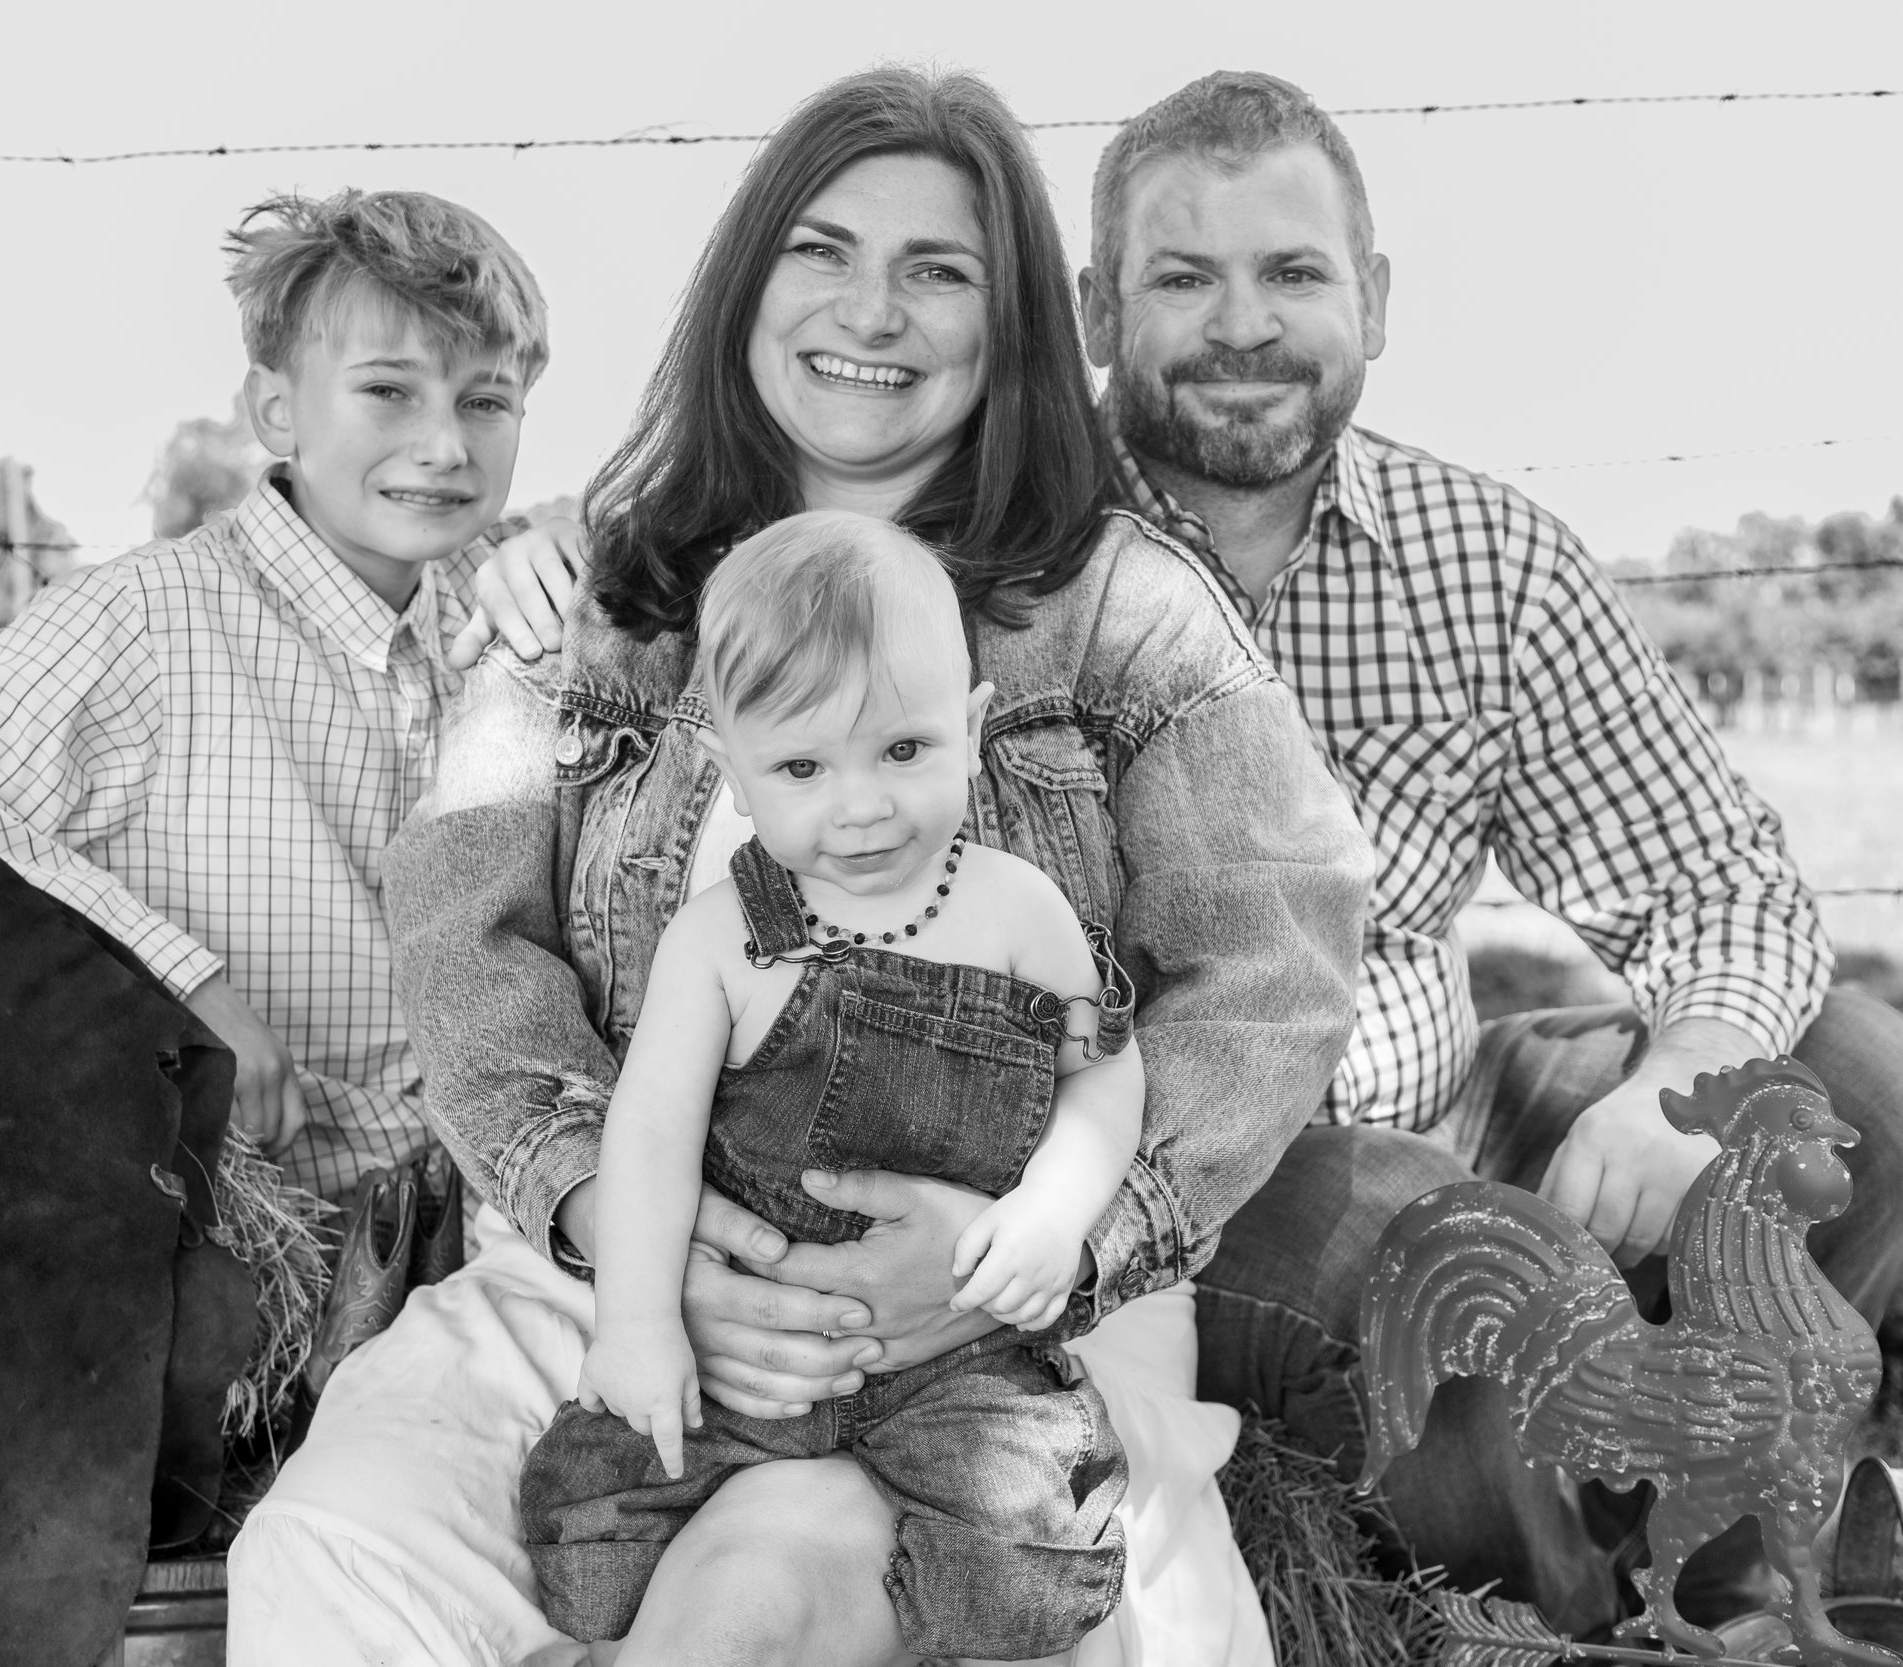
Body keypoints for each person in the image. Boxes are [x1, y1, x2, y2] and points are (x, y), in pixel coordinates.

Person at [228, 67, 1374, 1667]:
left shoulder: (1117, 606)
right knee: (336, 1554)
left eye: (940, 270)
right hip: (595, 1278)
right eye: (822, 251)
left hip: (1000, 1310)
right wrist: (628, 1238)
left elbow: (1274, 965)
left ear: (1015, 322)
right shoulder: (597, 587)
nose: (873, 310)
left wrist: (1040, 1247)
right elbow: (465, 942)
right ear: (747, 283)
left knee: (963, 1593)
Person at [1070, 72, 1903, 1636]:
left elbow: (1717, 879)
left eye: (1293, 271)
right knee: (1444, 1238)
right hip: (1183, 1177)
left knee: (1868, 1086)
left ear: (1376, 299)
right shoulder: (1021, 549)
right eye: (1181, 275)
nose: (1243, 324)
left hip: (1444, 1096)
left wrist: (1683, 1063)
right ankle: (1583, 1614)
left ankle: (1742, 1567)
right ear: (1094, 309)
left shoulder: (1481, 559)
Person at [522, 511, 1146, 1661]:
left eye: (903, 751)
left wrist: (1055, 1208)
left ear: (971, 727)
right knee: (596, 1528)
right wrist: (640, 1316)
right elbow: (650, 1133)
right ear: (734, 774)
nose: (861, 804)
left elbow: (1100, 1071)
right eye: (803, 766)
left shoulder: (1018, 908)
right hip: (744, 1359)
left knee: (1033, 1569)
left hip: (957, 1350)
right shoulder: (716, 939)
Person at [0, 189, 547, 1203]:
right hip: (232, 1224)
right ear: (274, 411)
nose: (445, 444)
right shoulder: (153, 615)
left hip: (477, 1209)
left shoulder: (500, 626)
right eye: (389, 391)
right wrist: (175, 975)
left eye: (486, 400)